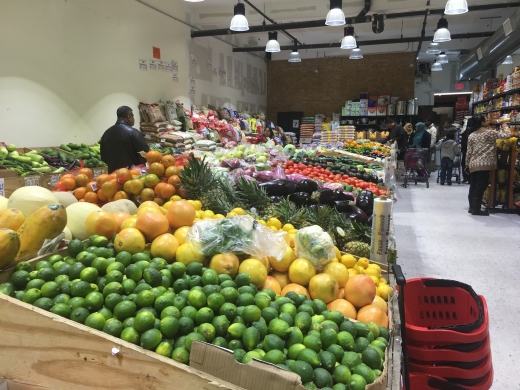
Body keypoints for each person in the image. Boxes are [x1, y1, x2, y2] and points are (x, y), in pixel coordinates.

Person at [465, 115, 511, 216]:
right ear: (482, 123)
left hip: (473, 163)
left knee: (473, 186)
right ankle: (476, 210)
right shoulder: (490, 133)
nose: (489, 121)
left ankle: (471, 207)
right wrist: (503, 123)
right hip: (484, 164)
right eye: (486, 120)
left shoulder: (471, 135)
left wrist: (467, 165)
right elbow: (507, 135)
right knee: (480, 186)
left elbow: (468, 152)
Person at [100, 106, 150, 173]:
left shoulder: (106, 134)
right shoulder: (134, 132)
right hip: (132, 175)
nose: (133, 119)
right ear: (129, 117)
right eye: (133, 116)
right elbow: (145, 153)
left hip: (113, 176)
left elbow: (103, 157)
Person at [461, 117, 477, 183]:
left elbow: (464, 141)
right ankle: (471, 178)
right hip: (474, 150)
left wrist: (463, 149)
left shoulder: (466, 130)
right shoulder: (476, 130)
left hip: (466, 150)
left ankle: (465, 177)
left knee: (464, 164)